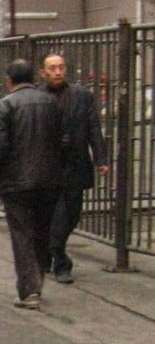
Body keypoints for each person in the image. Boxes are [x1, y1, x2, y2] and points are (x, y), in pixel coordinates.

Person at [0, 58, 65, 309]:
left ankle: (29, 289)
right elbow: (62, 140)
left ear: (9, 80)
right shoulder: (51, 103)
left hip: (16, 182)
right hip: (49, 180)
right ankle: (38, 279)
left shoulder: (4, 106)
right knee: (42, 231)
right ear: (34, 77)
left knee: (21, 234)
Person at [40, 53, 110, 284]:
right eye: (52, 68)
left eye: (61, 67)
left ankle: (51, 252)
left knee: (72, 214)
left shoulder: (82, 96)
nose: (58, 72)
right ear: (43, 72)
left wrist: (101, 159)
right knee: (56, 214)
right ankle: (61, 261)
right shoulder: (37, 98)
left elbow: (93, 129)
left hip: (76, 164)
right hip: (48, 167)